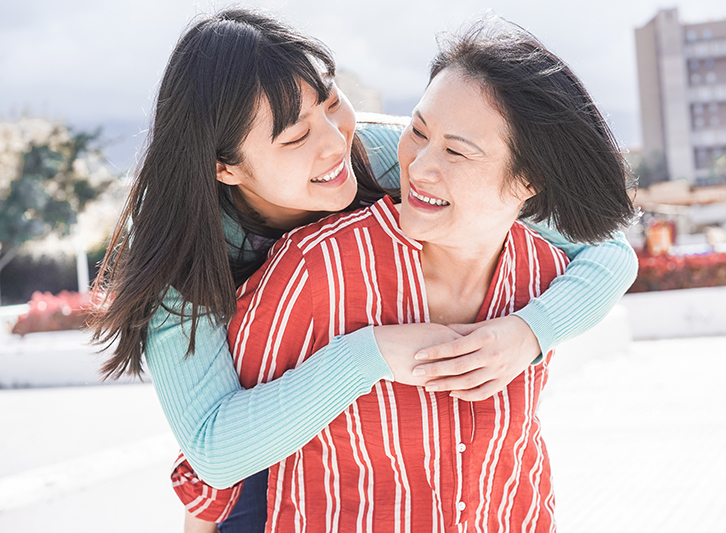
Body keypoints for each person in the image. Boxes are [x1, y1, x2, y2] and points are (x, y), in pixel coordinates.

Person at [88, 8, 637, 532]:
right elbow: (216, 450)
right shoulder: (175, 254)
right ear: (224, 167)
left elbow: (608, 250)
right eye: (296, 137)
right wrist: (374, 351)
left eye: (330, 102)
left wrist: (528, 332)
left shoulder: (388, 152)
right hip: (258, 450)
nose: (333, 140)